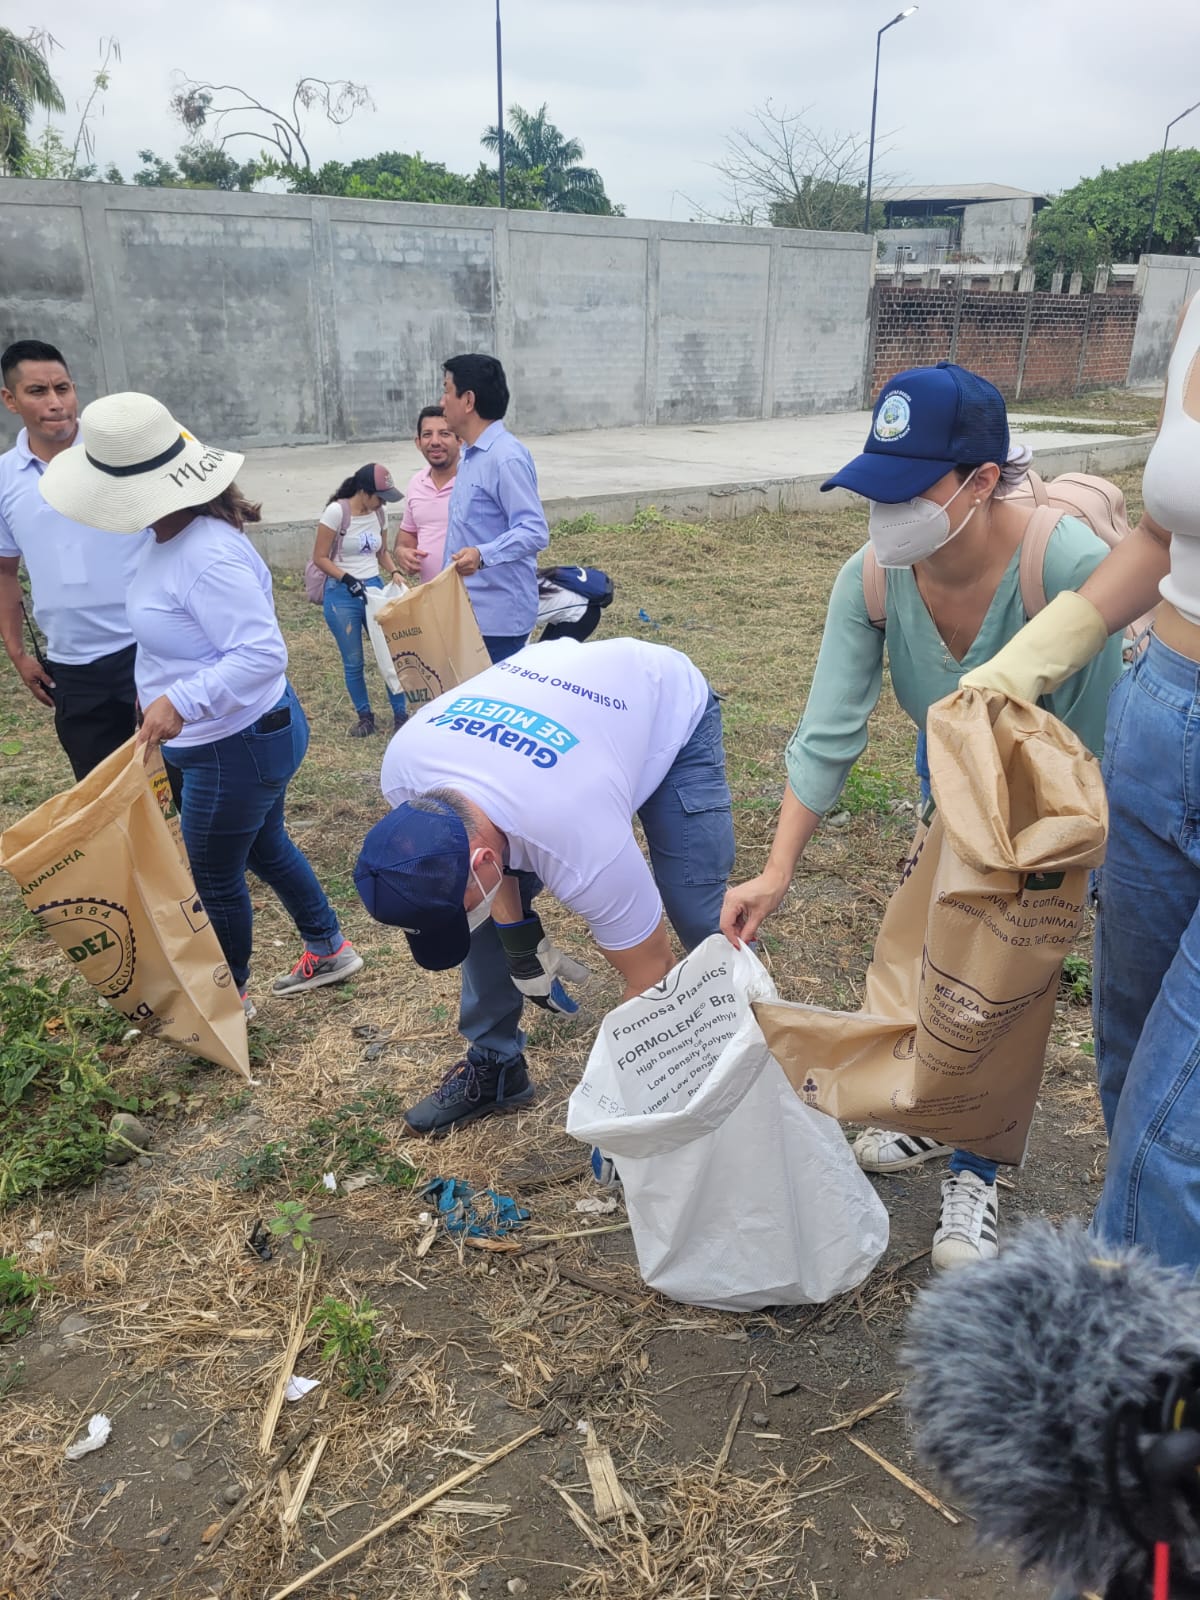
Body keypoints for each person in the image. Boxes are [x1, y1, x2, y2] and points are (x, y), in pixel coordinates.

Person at [719, 361, 1125, 1270]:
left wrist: (1048, 873)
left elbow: (1090, 744)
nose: (886, 513)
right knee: (935, 958)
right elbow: (828, 735)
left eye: (910, 490)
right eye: (878, 489)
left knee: (1005, 975)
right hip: (948, 766)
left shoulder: (1066, 568)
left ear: (981, 483)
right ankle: (938, 1111)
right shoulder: (872, 579)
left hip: (1056, 793)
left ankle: (977, 1167)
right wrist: (776, 871)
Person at [959, 297, 1200, 1272]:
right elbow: (1164, 536)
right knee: (1131, 1062)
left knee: (1171, 1136)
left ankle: (1123, 1354)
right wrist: (1026, 660)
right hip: (1159, 716)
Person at [40, 392, 363, 1015]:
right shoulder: (169, 537)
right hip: (230, 736)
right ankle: (328, 947)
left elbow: (262, 653)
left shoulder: (205, 554)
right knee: (265, 846)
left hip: (234, 743)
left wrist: (180, 700)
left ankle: (226, 1001)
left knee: (214, 875)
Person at [354, 636, 735, 1136]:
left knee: (698, 915)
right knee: (473, 913)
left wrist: (623, 1107)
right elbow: (476, 858)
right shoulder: (405, 770)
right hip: (557, 716)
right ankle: (497, 1067)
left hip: (662, 704)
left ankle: (733, 1057)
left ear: (483, 860)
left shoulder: (578, 841)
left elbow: (652, 973)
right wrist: (518, 941)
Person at [0, 340, 150, 779]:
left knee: (178, 783)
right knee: (101, 793)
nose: (56, 403)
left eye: (62, 388)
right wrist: (18, 653)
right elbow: (5, 571)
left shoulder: (119, 454)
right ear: (10, 400)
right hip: (72, 666)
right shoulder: (5, 479)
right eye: (38, 391)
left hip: (147, 648)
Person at [439, 354, 549, 663]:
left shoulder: (505, 457)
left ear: (468, 400)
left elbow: (533, 531)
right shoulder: (471, 455)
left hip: (497, 622)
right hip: (468, 613)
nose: (442, 401)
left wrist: (482, 554)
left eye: (447, 390)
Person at [312, 462, 408, 738]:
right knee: (354, 660)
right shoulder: (336, 512)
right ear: (364, 492)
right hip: (342, 594)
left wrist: (395, 572)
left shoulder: (380, 513)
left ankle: (401, 714)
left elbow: (382, 552)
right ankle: (365, 716)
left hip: (373, 590)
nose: (382, 503)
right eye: (379, 497)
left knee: (389, 655)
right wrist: (346, 578)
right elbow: (319, 557)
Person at [393, 406, 459, 583]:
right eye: (427, 434)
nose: (435, 441)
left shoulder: (475, 481)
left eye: (444, 434)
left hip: (473, 594)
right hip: (431, 593)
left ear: (460, 440)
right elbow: (408, 535)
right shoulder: (416, 483)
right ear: (418, 442)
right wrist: (402, 552)